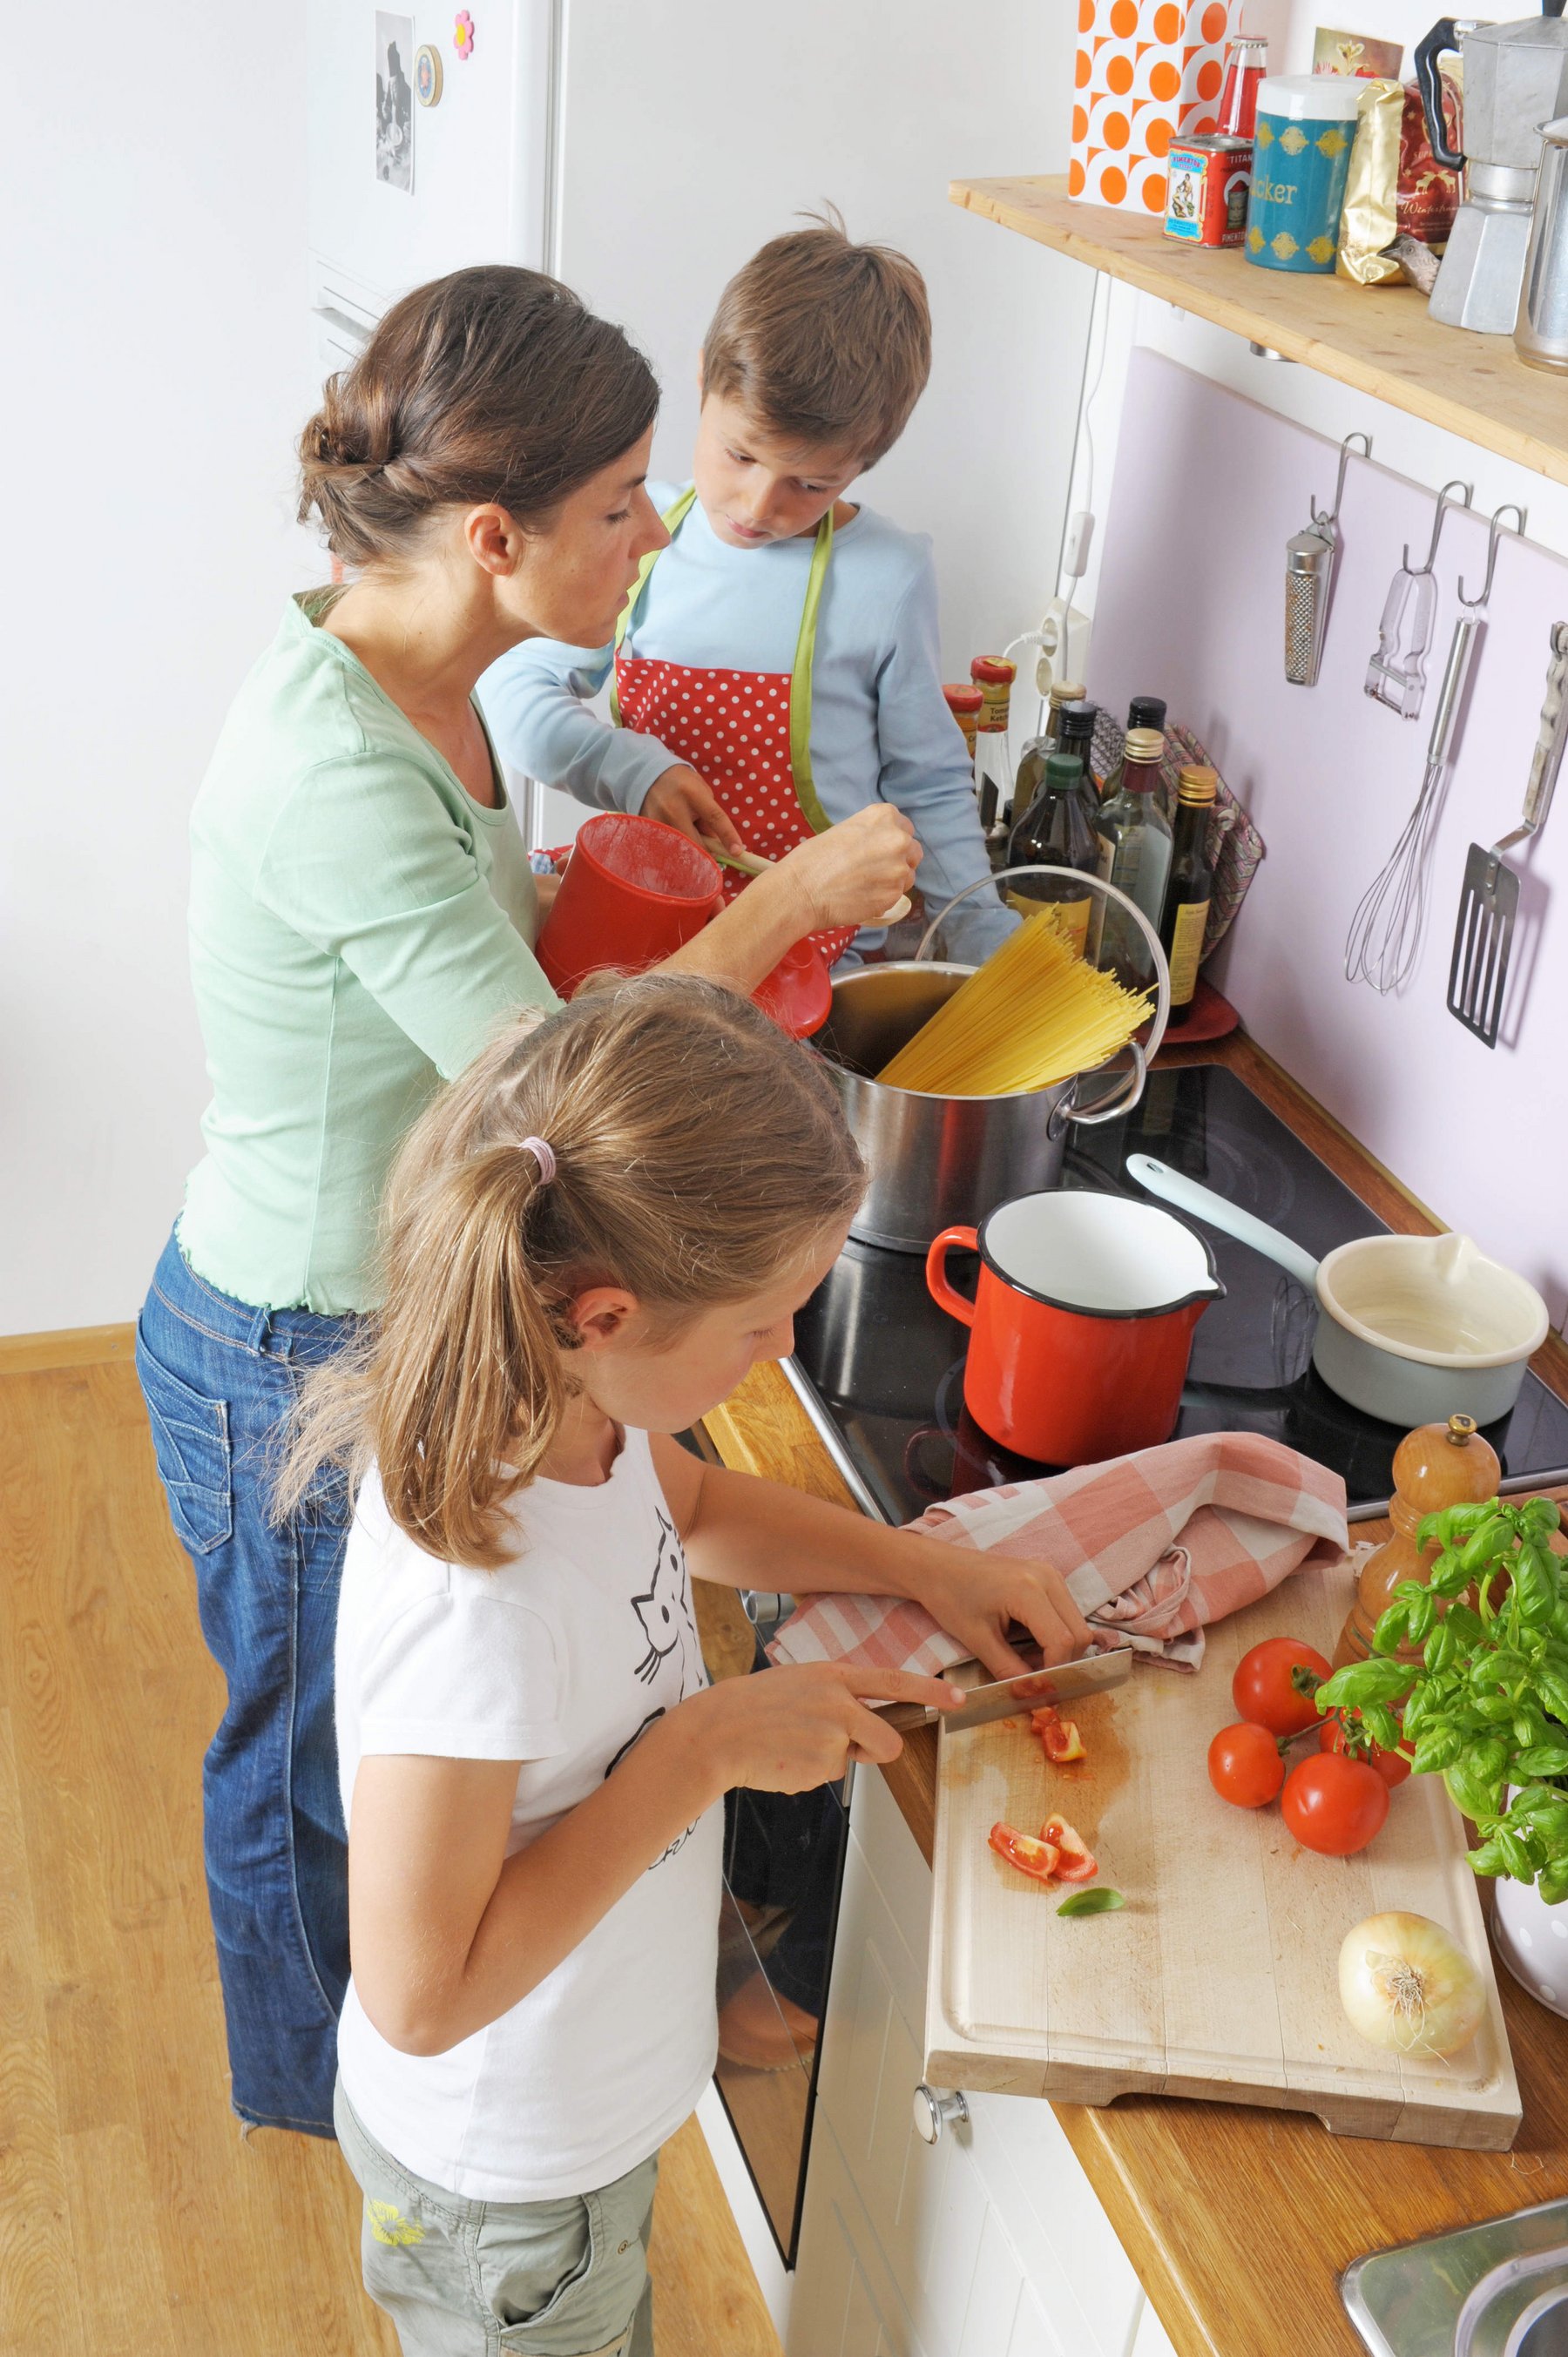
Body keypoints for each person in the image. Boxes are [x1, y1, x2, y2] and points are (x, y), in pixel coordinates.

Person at [134, 265, 916, 2143]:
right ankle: (343, 2111)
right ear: (496, 536)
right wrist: (794, 900)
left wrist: (656, 807)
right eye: (624, 504)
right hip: (294, 1328)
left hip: (400, 1285)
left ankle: (409, 2077)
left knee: (398, 1764)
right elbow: (562, 1092)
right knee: (315, 1773)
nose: (656, 536)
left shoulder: (429, 678)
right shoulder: (333, 766)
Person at [274, 974, 1092, 2357]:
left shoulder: (576, 1410)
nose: (780, 1353)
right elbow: (419, 1993)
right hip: (509, 2198)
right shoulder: (478, 1587)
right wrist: (703, 1747)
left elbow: (697, 1513)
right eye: (761, 1325)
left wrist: (921, 1565)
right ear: (604, 1312)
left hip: (573, 2131)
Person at [480, 215, 1013, 966]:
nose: (760, 506)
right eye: (739, 454)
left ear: (864, 464)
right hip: (646, 935)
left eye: (811, 483)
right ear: (703, 382)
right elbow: (514, 696)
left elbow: (928, 782)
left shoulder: (887, 578)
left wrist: (982, 931)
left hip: (809, 957)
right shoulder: (633, 529)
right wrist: (634, 770)